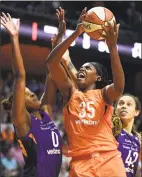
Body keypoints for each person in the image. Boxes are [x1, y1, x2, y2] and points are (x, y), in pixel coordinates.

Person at [46, 7, 126, 177]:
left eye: (88, 68)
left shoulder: (104, 95)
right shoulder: (70, 93)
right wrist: (76, 33)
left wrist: (112, 48)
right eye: (80, 68)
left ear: (97, 77)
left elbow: (119, 87)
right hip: (80, 164)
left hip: (108, 160)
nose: (82, 69)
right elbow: (52, 62)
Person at [1, 12, 62, 177]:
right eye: (27, 94)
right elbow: (20, 76)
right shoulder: (22, 121)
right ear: (20, 103)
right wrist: (14, 38)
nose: (34, 94)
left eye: (31, 92)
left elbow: (51, 76)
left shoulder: (46, 113)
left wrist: (56, 48)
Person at [113, 94, 141, 177]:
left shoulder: (138, 139)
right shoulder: (111, 131)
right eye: (121, 103)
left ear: (136, 112)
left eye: (129, 104)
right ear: (115, 110)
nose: (124, 106)